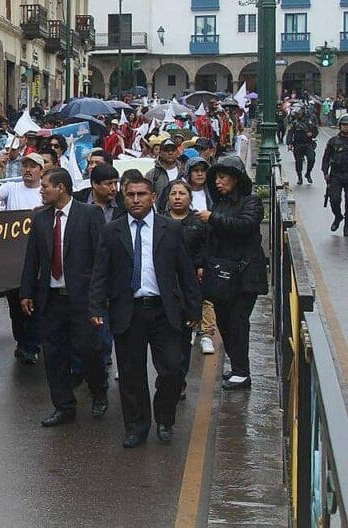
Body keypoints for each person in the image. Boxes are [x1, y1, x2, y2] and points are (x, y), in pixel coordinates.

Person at [90, 175, 201, 448]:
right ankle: (137, 426)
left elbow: (185, 272)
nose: (136, 200)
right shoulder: (112, 231)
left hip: (165, 311)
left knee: (173, 369)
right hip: (129, 311)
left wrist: (194, 308)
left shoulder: (170, 229)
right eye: (131, 195)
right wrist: (95, 306)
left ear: (153, 197)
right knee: (131, 374)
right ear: (123, 197)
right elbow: (100, 272)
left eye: (142, 194)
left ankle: (165, 418)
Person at [20, 169, 108, 427]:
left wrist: (100, 297)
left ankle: (99, 392)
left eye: (46, 186)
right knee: (55, 354)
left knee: (88, 350)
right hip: (52, 299)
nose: (41, 190)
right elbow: (32, 259)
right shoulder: (41, 218)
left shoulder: (90, 215)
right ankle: (64, 405)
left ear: (61, 188)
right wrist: (26, 292)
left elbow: (101, 259)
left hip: (82, 299)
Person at [198, 156, 267, 390]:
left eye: (223, 177)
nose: (218, 181)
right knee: (224, 322)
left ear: (236, 179)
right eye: (216, 177)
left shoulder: (251, 202)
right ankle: (237, 367)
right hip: (222, 277)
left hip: (245, 275)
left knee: (238, 322)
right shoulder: (220, 203)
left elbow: (244, 225)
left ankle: (242, 372)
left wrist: (213, 218)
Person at [0, 151, 45, 363]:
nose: (27, 170)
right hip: (14, 260)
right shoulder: (11, 188)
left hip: (37, 258)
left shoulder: (44, 192)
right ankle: (21, 341)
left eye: (32, 166)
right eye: (24, 166)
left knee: (34, 304)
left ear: (41, 171)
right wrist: (0, 168)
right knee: (15, 306)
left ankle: (32, 346)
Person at [163, 180, 215, 396]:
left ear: (190, 197)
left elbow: (207, 248)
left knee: (183, 339)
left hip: (189, 286)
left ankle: (180, 381)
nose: (177, 197)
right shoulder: (160, 222)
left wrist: (201, 266)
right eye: (173, 193)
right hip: (165, 286)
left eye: (182, 193)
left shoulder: (199, 223)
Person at [322, 115, 348, 234]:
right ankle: (338, 216)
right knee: (334, 200)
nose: (346, 127)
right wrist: (325, 172)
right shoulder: (333, 141)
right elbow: (326, 158)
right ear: (340, 126)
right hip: (336, 175)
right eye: (344, 125)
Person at [288, 105, 318, 185]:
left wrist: (312, 134)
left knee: (311, 158)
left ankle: (308, 173)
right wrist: (289, 143)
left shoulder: (309, 121)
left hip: (308, 144)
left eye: (299, 113)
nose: (298, 114)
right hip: (297, 145)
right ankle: (299, 177)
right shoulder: (294, 123)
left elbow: (315, 131)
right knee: (298, 162)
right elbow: (290, 133)